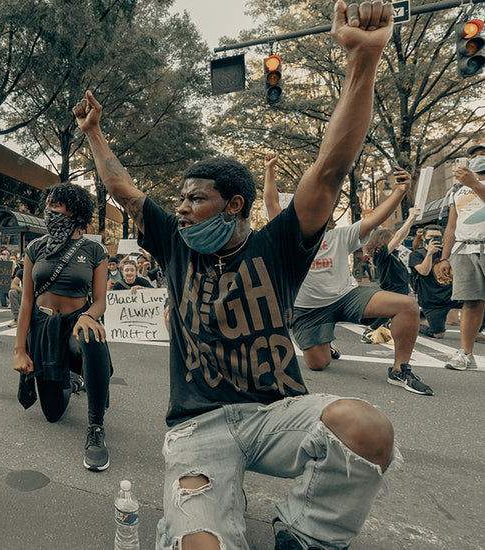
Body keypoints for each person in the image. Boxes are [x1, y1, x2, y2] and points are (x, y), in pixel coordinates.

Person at [74, 3, 399, 548]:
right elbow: (122, 188)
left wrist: (363, 61)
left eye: (195, 199)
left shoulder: (280, 246)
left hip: (275, 418)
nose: (179, 208)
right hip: (197, 427)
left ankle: (305, 534)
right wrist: (94, 133)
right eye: (178, 197)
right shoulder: (175, 247)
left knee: (368, 429)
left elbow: (331, 166)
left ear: (234, 206)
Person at [290, 166, 426, 397]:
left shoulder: (340, 236)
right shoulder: (287, 240)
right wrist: (269, 171)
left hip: (346, 297)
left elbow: (375, 218)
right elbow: (272, 206)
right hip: (309, 310)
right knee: (318, 364)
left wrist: (400, 192)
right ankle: (326, 339)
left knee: (408, 305)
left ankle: (400, 370)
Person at [14, 183, 113, 471]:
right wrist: (20, 349)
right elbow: (26, 304)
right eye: (49, 205)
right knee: (52, 414)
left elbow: (100, 302)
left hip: (77, 325)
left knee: (91, 336)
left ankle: (95, 427)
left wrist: (89, 316)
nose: (50, 211)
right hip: (44, 328)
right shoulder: (35, 247)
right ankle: (71, 381)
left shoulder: (95, 250)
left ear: (75, 210)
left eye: (56, 205)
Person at [440, 145, 485, 370]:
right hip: (465, 249)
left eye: (482, 156)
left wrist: (475, 184)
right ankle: (466, 354)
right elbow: (451, 226)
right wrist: (444, 257)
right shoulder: (457, 190)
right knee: (471, 302)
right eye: (474, 157)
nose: (478, 159)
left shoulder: (474, 184)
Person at [360, 205, 421, 344]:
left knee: (393, 313)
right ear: (384, 241)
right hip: (393, 289)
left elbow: (402, 236)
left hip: (399, 288)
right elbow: (399, 235)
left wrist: (412, 219)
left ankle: (384, 329)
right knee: (391, 312)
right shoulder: (381, 255)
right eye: (392, 238)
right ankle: (370, 330)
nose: (397, 240)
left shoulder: (393, 254)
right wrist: (411, 216)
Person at [410, 225, 463, 338]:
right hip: (432, 300)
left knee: (477, 303)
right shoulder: (417, 254)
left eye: (437, 237)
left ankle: (478, 330)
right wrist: (430, 253)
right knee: (438, 334)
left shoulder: (447, 252)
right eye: (431, 236)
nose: (434, 239)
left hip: (451, 296)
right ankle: (415, 322)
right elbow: (424, 271)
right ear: (424, 238)